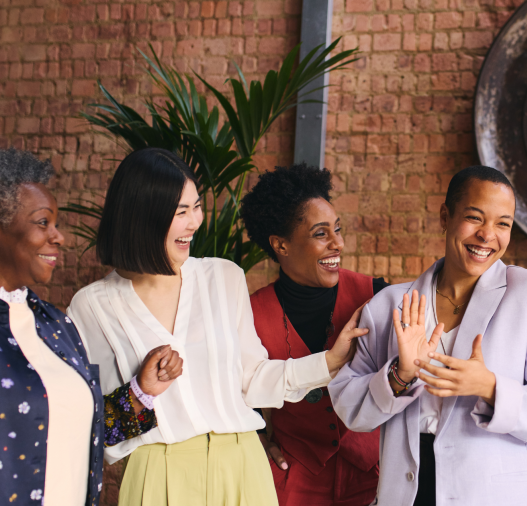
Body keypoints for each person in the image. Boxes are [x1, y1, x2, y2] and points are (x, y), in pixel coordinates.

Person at [66, 148, 368, 506]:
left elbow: (252, 381)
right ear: (143, 214)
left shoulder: (223, 277)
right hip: (158, 474)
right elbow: (99, 427)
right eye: (181, 212)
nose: (195, 221)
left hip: (241, 465)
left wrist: (329, 362)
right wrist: (141, 390)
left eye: (196, 207)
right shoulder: (92, 306)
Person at [329, 165, 527, 506]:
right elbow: (351, 408)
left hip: (499, 494)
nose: (487, 235)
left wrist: (489, 387)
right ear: (445, 216)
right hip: (409, 490)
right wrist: (400, 376)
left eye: (503, 224)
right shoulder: (389, 305)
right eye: (475, 217)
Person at [0, 148, 182, 506]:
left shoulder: (55, 326)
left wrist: (142, 391)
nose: (59, 237)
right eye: (42, 222)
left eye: (56, 223)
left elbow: (88, 429)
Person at [240, 163, 384, 506]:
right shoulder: (251, 312)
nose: (338, 243)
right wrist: (257, 439)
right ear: (281, 245)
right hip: (294, 479)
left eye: (337, 229)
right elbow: (235, 394)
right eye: (322, 234)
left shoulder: (375, 295)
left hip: (372, 475)